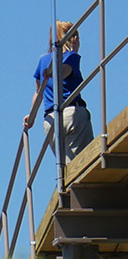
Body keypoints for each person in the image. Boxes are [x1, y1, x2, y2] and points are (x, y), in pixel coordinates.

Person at [23, 21, 94, 161]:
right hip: (73, 114)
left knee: (65, 166)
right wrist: (56, 71)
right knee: (83, 162)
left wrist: (32, 116)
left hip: (51, 121)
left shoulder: (43, 60)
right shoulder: (71, 56)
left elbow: (38, 92)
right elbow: (65, 70)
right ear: (74, 39)